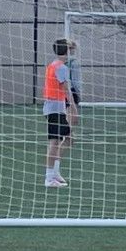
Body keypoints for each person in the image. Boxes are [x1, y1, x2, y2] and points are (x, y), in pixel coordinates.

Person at [42, 37, 78, 186]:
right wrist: (73, 108)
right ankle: (49, 178)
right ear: (67, 51)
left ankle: (55, 173)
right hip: (55, 108)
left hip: (55, 107)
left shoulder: (54, 65)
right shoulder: (61, 68)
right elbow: (66, 90)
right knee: (54, 142)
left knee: (68, 139)